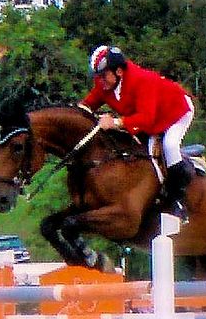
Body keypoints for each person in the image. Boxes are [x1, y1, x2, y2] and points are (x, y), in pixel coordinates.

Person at [79, 45, 195, 223]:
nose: (100, 81)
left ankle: (179, 200)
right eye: (97, 77)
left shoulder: (142, 80)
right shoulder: (105, 84)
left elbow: (146, 119)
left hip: (175, 111)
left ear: (119, 71)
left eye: (103, 76)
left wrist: (115, 123)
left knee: (169, 146)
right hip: (150, 116)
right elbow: (87, 105)